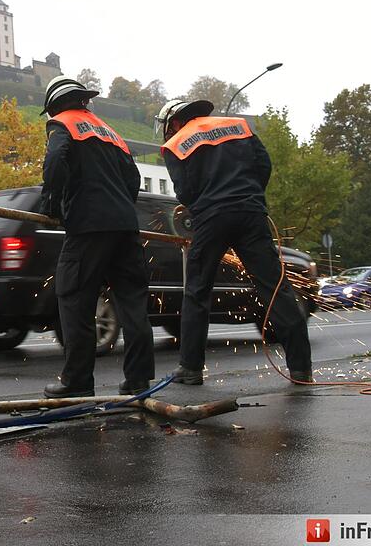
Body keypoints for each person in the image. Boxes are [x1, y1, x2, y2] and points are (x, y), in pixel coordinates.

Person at [156, 99, 313, 385]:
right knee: (274, 287)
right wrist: (249, 195)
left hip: (211, 219)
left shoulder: (176, 144)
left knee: (197, 291)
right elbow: (263, 165)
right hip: (251, 214)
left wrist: (204, 207)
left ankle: (191, 368)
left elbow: (185, 191)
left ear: (174, 122)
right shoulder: (237, 126)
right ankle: (301, 368)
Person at [38, 76, 155, 398]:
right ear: (84, 100)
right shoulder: (110, 132)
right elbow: (132, 178)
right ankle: (138, 378)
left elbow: (55, 162)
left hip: (88, 226)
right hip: (126, 227)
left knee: (74, 297)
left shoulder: (62, 124)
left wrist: (52, 205)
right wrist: (119, 208)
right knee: (132, 302)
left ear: (54, 106)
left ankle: (77, 381)